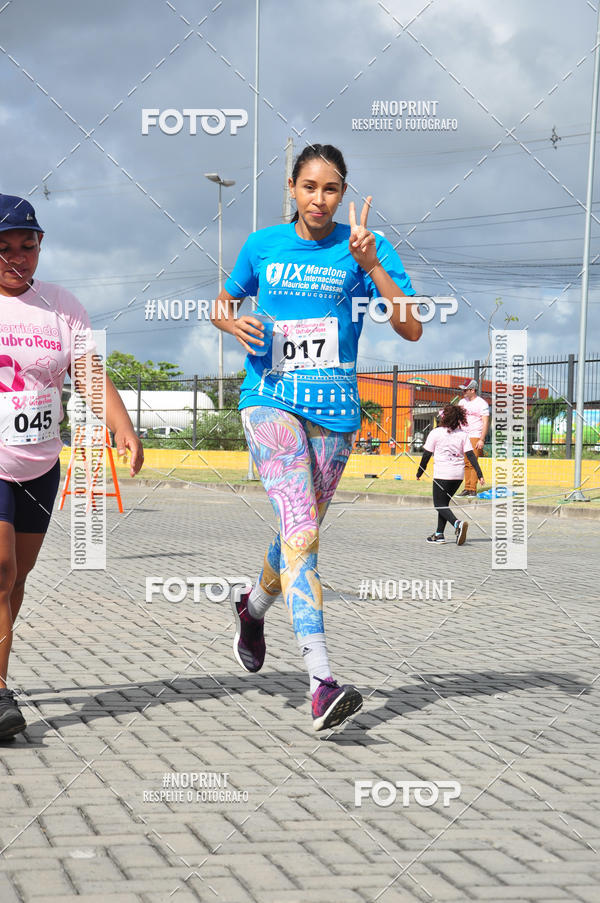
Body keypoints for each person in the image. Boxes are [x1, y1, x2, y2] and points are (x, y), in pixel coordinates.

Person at [210, 143, 422, 731]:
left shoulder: (365, 250)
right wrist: (234, 321)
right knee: (303, 530)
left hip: (334, 413)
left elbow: (410, 328)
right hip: (269, 400)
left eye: (331, 189)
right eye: (309, 187)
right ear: (292, 188)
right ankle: (322, 680)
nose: (319, 199)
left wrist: (372, 264)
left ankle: (252, 611)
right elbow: (221, 305)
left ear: (344, 194)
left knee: (295, 536)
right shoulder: (262, 245)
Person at [0, 194, 144, 740]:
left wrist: (122, 424)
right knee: (1, 569)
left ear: (40, 245)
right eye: (4, 248)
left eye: (27, 246)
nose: (17, 258)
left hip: (40, 462)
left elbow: (87, 371)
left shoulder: (62, 305)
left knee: (17, 581)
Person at [416, 403, 485, 544]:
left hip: (442, 475)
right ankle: (439, 534)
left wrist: (420, 471)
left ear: (444, 418)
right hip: (458, 476)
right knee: (444, 504)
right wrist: (479, 474)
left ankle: (457, 524)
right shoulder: (463, 435)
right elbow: (471, 456)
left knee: (439, 505)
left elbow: (426, 455)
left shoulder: (435, 432)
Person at [458, 378, 489, 497]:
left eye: (466, 390)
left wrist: (481, 439)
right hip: (463, 435)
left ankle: (473, 489)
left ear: (472, 390)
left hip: (475, 435)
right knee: (465, 463)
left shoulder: (482, 403)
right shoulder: (462, 402)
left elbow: (485, 422)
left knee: (473, 462)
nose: (463, 392)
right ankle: (467, 488)